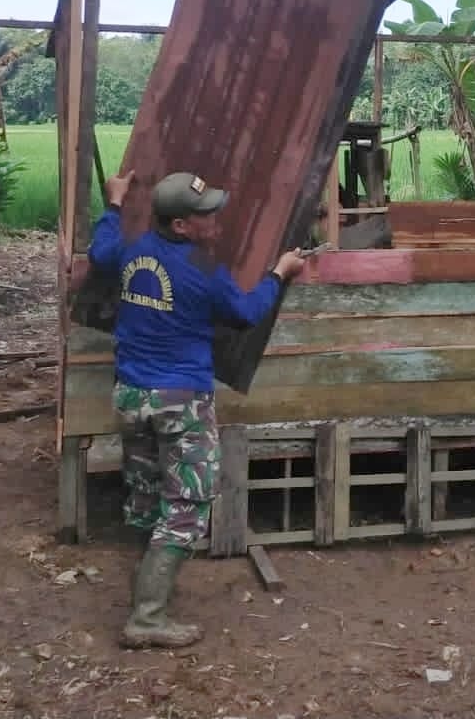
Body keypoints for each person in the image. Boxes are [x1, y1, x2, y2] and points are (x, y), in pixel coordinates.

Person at [81, 169, 308, 648]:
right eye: (207, 215)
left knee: (146, 496)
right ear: (181, 225)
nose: (217, 220)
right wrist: (279, 273)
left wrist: (114, 203)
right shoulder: (204, 273)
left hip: (131, 396)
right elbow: (246, 314)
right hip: (179, 402)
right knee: (187, 505)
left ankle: (147, 589)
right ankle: (147, 617)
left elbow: (99, 251)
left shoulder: (131, 250)